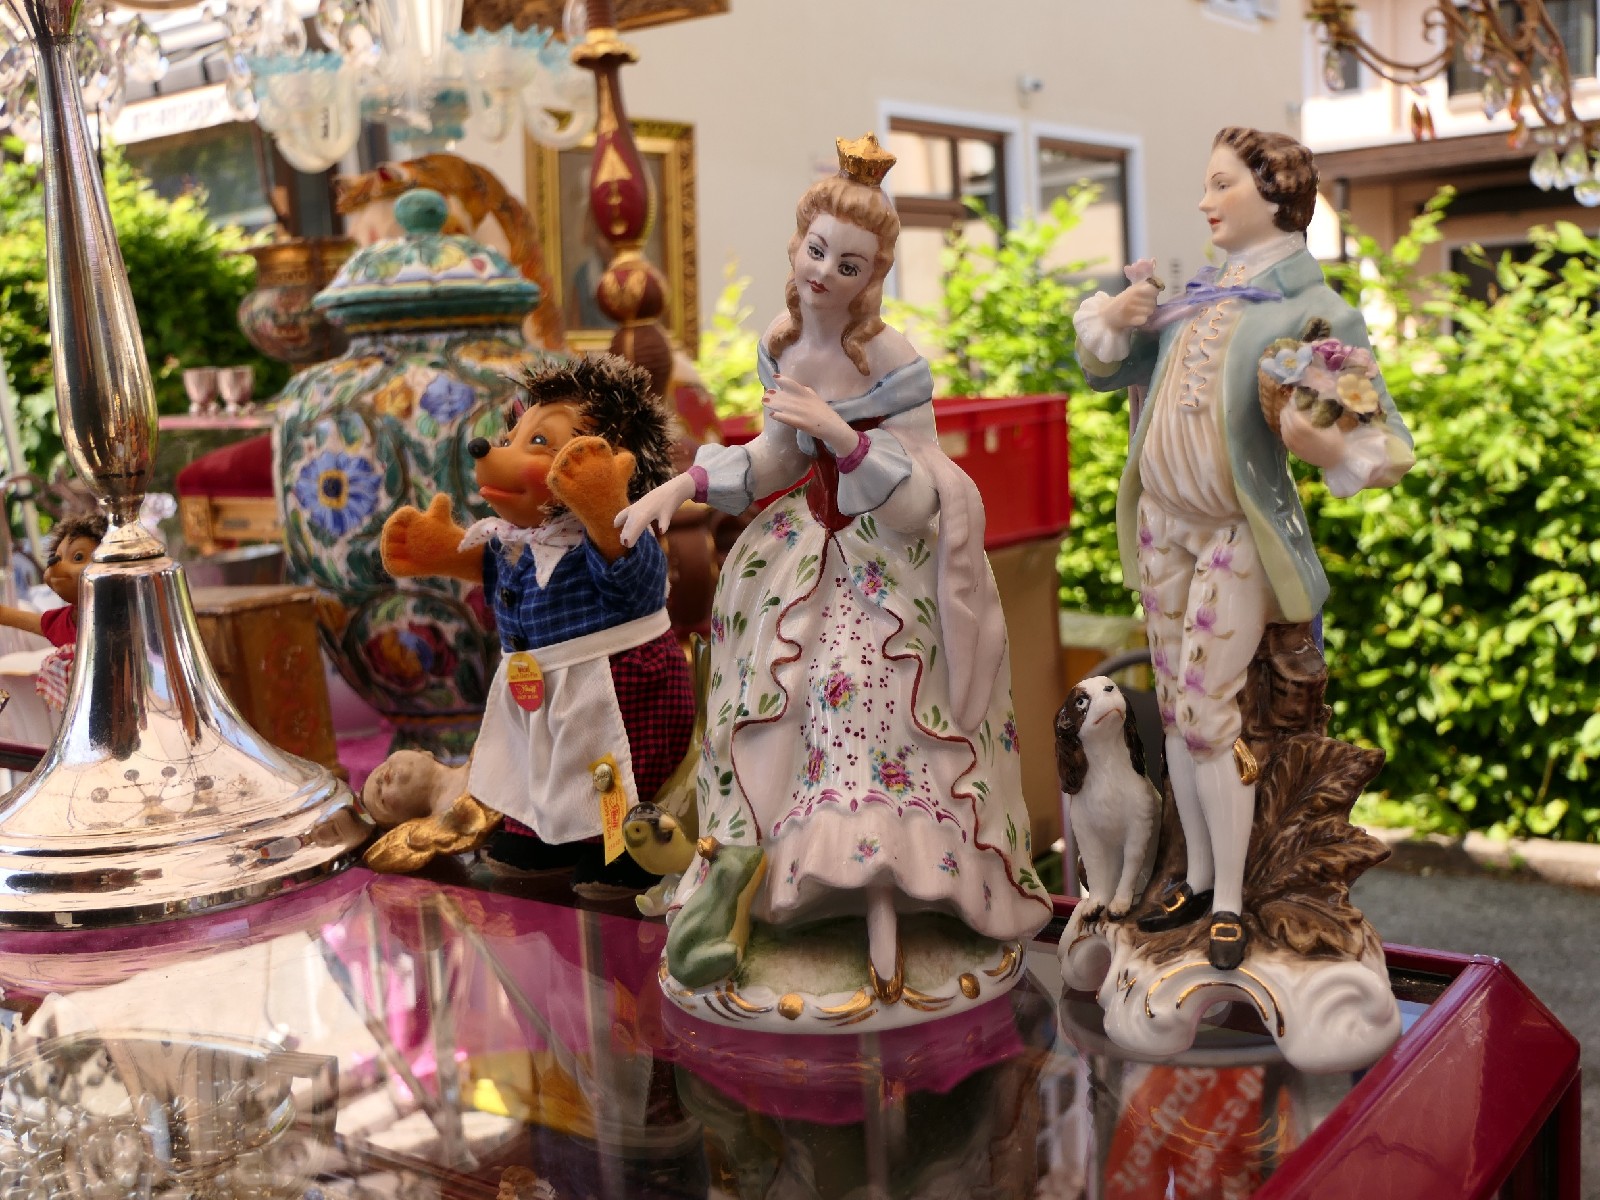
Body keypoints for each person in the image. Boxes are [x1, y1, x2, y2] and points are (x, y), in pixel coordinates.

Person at [618, 134, 1050, 1000]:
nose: (825, 273)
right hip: (801, 550)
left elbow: (918, 500)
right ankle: (775, 885)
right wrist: (682, 486)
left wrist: (845, 436)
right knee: (767, 697)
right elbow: (774, 460)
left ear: (872, 276)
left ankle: (894, 888)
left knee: (861, 684)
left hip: (883, 558)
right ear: (797, 246)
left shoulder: (890, 362)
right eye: (817, 251)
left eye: (848, 265)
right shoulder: (782, 343)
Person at [1072, 127, 1415, 969]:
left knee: (1205, 713)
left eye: (1222, 183)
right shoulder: (1198, 295)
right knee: (1177, 711)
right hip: (1161, 525)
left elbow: (1384, 444)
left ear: (1276, 192)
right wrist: (1115, 316)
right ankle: (1193, 875)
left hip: (1234, 532)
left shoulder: (1312, 310)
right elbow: (1103, 366)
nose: (1205, 201)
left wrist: (1325, 444)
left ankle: (1230, 900)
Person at [0, 511, 107, 710]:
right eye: (56, 558)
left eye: (78, 557)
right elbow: (35, 622)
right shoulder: (69, 619)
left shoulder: (126, 617)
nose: (56, 566)